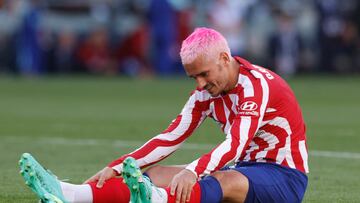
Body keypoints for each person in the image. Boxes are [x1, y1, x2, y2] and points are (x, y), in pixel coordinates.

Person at [19, 27, 308, 203]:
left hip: (284, 177)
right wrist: (117, 166)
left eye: (204, 75)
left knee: (223, 180)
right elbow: (171, 137)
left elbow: (235, 144)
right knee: (155, 175)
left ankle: (156, 201)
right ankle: (69, 194)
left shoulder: (256, 85)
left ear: (223, 59)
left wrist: (192, 171)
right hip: (245, 169)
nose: (199, 85)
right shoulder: (206, 92)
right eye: (193, 77)